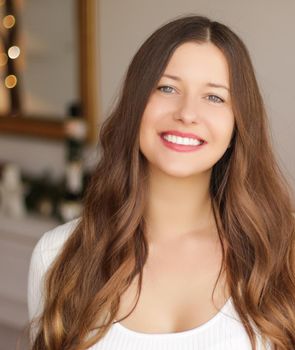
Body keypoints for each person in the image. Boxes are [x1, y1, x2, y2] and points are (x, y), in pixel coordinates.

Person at [27, 15, 295, 350]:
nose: (187, 112)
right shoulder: (57, 255)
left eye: (214, 97)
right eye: (167, 88)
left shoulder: (283, 253)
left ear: (237, 125)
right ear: (136, 105)